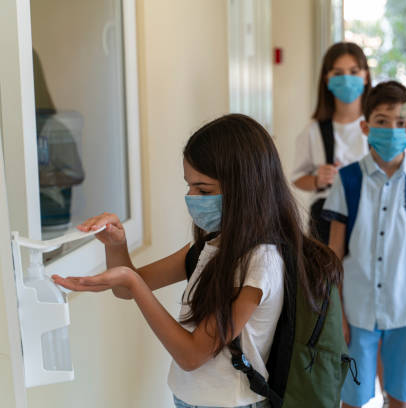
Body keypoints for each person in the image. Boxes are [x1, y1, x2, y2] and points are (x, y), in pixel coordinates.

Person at [52, 114, 342, 408]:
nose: (191, 198)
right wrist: (117, 245)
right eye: (189, 186)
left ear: (246, 187)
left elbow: (191, 355)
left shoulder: (259, 262)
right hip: (190, 399)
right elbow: (124, 289)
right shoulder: (210, 245)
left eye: (204, 191)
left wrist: (133, 282)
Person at [323, 81, 406, 408]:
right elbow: (334, 252)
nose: (392, 130)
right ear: (366, 126)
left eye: (401, 123)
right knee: (351, 397)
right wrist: (335, 310)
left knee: (398, 396)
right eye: (382, 121)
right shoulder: (348, 179)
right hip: (356, 309)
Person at [292, 42, 371, 244]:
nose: (346, 79)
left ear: (366, 76)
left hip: (370, 213)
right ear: (326, 79)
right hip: (326, 216)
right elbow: (298, 177)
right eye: (338, 73)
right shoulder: (314, 129)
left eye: (353, 71)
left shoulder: (378, 126)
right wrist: (318, 180)